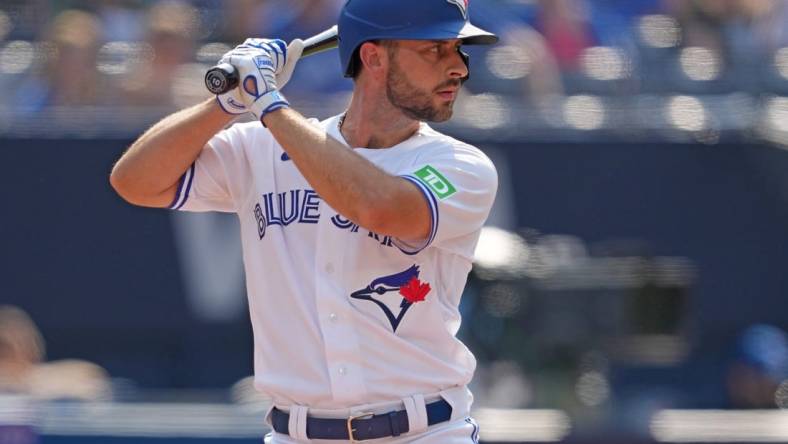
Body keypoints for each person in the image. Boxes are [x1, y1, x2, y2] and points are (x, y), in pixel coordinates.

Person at [110, 0, 498, 442]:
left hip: (424, 431)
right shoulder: (261, 147)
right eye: (436, 49)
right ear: (373, 56)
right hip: (295, 432)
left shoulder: (460, 165)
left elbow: (380, 208)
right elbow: (135, 181)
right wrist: (227, 103)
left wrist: (269, 102)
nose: (459, 68)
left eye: (459, 50)